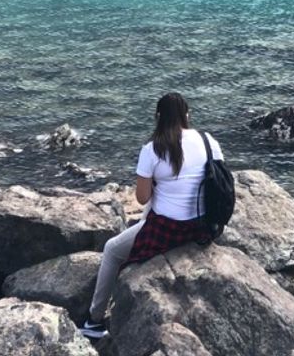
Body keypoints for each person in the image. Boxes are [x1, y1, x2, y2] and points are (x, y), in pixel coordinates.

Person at [80, 92, 223, 340]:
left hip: (170, 230)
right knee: (153, 210)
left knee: (112, 249)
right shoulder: (208, 140)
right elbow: (219, 179)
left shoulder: (152, 148)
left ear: (158, 117)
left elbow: (142, 198)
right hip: (203, 226)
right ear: (187, 115)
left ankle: (93, 321)